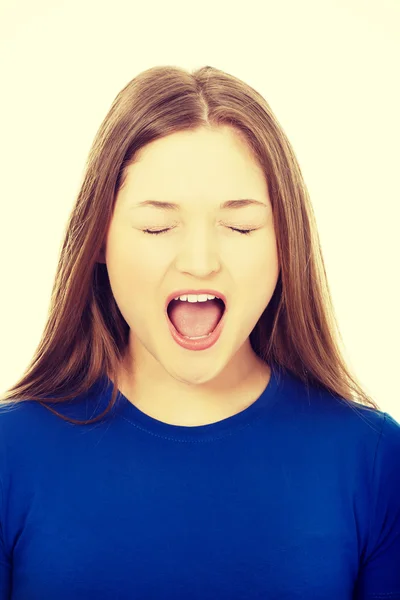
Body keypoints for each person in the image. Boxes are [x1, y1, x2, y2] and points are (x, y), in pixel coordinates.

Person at [0, 65, 399, 599]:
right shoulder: (11, 453)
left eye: (240, 227)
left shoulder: (372, 460)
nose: (201, 262)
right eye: (158, 226)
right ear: (98, 239)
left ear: (286, 246)